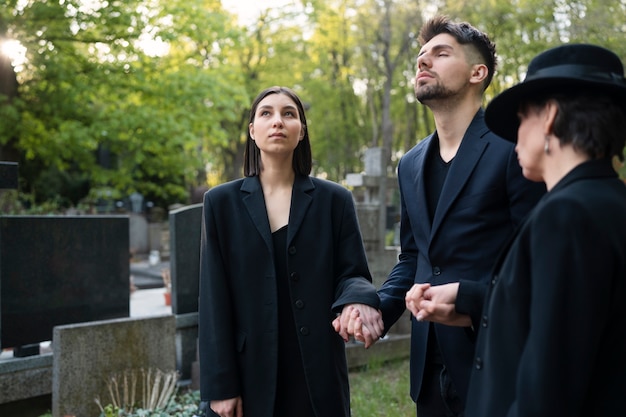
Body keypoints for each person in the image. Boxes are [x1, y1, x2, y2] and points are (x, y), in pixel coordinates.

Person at [335, 15, 545, 417]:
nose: (423, 62)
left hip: (498, 361)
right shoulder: (410, 163)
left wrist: (469, 298)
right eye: (420, 55)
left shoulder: (515, 150)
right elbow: (415, 259)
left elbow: (535, 262)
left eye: (440, 53)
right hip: (428, 372)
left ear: (477, 73)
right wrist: (378, 307)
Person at [406, 43, 626, 416]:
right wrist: (469, 301)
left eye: (522, 119)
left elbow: (550, 374)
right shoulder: (608, 202)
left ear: (550, 119)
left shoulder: (565, 215)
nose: (512, 136)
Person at [196, 85, 383, 417]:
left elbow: (352, 273)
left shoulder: (334, 200)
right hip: (247, 372)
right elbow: (213, 298)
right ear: (253, 131)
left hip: (316, 371)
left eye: (289, 114)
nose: (277, 121)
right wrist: (221, 386)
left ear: (302, 131)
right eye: (266, 113)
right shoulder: (220, 203)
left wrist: (357, 299)